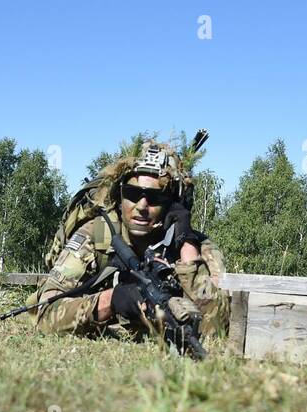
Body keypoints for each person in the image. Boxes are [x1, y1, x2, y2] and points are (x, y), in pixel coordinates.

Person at [33, 141, 228, 345]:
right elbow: (45, 314)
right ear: (120, 196)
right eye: (133, 194)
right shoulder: (97, 235)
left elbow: (217, 329)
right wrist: (110, 301)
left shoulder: (198, 247)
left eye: (155, 197)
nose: (142, 206)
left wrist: (187, 247)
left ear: (172, 203)